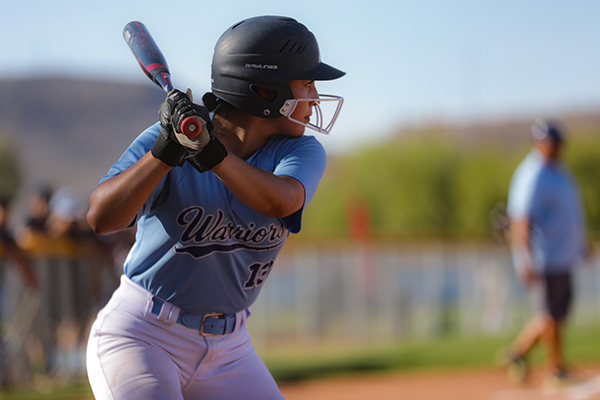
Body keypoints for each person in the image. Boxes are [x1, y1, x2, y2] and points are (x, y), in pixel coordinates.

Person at [85, 15, 345, 400]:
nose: (314, 97)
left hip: (231, 349)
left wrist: (211, 153)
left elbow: (281, 200)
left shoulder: (300, 150)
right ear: (266, 92)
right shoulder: (169, 138)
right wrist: (164, 153)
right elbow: (101, 218)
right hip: (143, 335)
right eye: (306, 83)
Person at [504, 119, 588, 385]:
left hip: (564, 255)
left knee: (557, 315)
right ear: (537, 144)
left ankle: (521, 354)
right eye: (549, 143)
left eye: (556, 143)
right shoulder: (533, 174)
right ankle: (551, 368)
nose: (554, 147)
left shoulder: (559, 171)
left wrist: (580, 244)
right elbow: (520, 220)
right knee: (549, 316)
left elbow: (569, 215)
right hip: (544, 256)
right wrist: (524, 259)